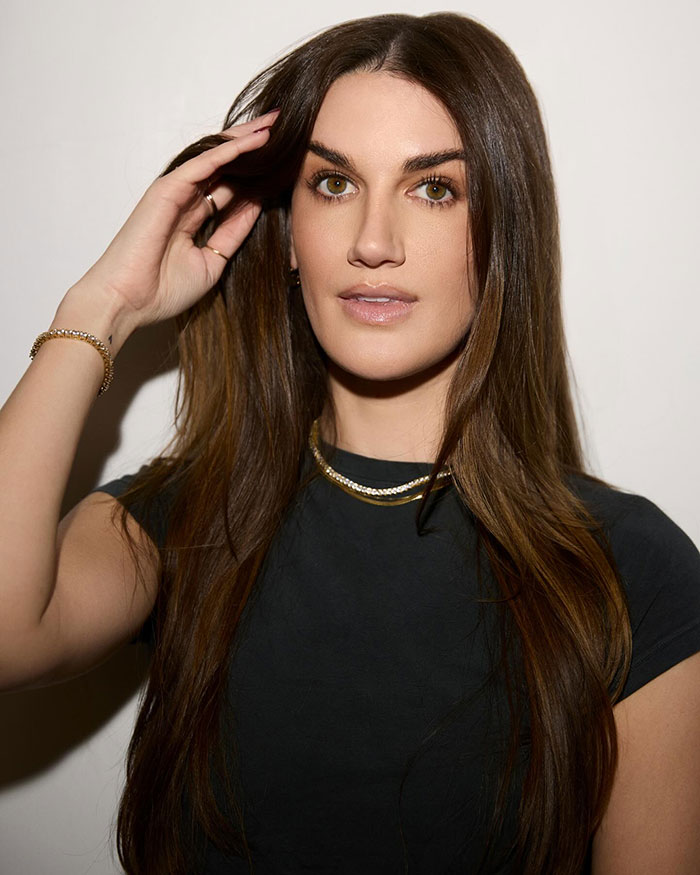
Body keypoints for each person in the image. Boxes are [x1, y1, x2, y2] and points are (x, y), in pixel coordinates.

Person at [1, 10, 699, 875]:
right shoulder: (191, 514)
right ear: (288, 233)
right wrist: (97, 308)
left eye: (434, 188)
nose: (374, 242)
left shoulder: (633, 570)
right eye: (334, 185)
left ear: (502, 235)